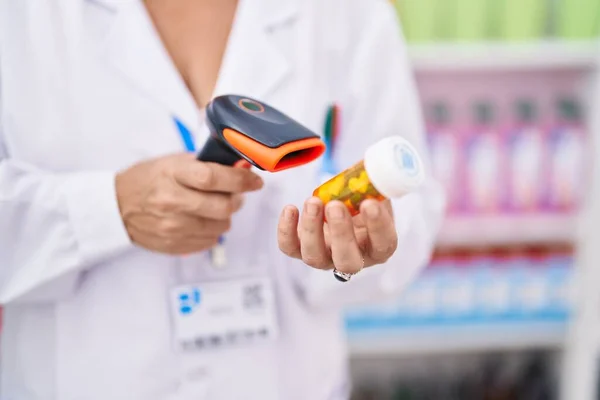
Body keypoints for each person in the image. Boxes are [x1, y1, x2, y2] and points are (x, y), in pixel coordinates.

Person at [0, 0, 444, 399]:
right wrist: (107, 209)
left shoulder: (346, 12)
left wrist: (359, 250)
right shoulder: (21, 18)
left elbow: (410, 206)